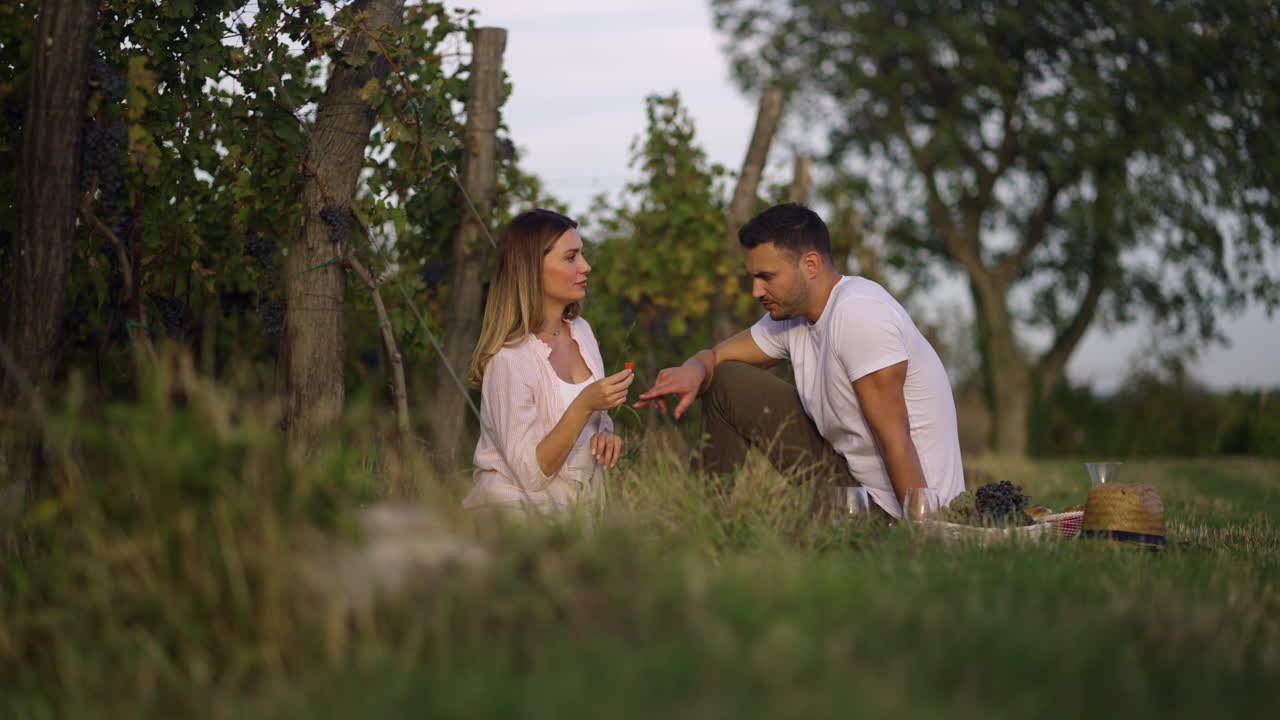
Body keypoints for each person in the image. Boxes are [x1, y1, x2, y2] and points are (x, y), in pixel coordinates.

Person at [635, 203, 963, 519]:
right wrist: (694, 369)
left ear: (810, 265)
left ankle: (908, 534)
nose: (756, 291)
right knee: (725, 379)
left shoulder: (859, 313)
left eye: (767, 276)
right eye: (753, 278)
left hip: (904, 507)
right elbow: (717, 358)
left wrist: (925, 537)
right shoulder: (793, 318)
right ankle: (700, 524)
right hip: (851, 491)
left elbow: (897, 440)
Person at [463, 208, 634, 518]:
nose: (586, 266)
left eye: (582, 255)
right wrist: (583, 405)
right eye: (571, 258)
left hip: (580, 510)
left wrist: (605, 438)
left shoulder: (582, 332)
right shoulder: (508, 360)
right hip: (519, 517)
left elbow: (594, 424)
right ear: (531, 268)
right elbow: (529, 475)